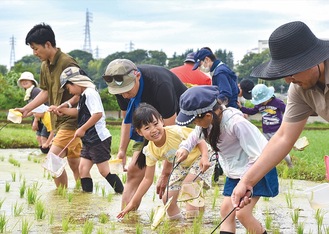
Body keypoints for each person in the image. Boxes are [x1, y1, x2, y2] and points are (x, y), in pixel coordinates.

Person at [231, 21, 329, 210]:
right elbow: (283, 137)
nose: (287, 80)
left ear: (315, 60)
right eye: (283, 73)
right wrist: (248, 180)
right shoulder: (299, 88)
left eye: (291, 71)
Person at [176, 85, 278, 234]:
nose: (195, 125)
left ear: (208, 116)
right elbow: (194, 136)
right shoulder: (207, 124)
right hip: (236, 171)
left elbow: (257, 156)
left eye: (195, 121)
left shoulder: (236, 124)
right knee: (226, 211)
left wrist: (245, 182)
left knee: (242, 213)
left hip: (257, 169)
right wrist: (185, 148)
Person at [102, 59, 187, 209]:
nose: (125, 96)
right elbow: (127, 120)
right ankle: (127, 218)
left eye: (128, 90)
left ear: (137, 76)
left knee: (183, 175)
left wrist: (166, 173)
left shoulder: (160, 85)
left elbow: (172, 131)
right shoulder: (120, 87)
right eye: (121, 93)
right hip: (146, 122)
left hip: (177, 122)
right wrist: (122, 150)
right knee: (134, 170)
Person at [117, 103, 214, 220]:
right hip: (182, 164)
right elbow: (147, 179)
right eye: (147, 128)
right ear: (139, 132)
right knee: (167, 198)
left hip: (202, 157)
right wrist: (132, 203)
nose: (154, 130)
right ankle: (179, 226)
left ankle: (192, 227)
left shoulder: (175, 131)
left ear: (162, 121)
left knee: (189, 188)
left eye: (155, 124)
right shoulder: (150, 151)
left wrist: (204, 156)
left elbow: (199, 139)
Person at [15, 23, 82, 188]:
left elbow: (81, 92)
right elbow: (45, 92)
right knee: (74, 163)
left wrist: (67, 107)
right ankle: (82, 193)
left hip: (71, 120)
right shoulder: (45, 65)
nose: (34, 53)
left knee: (53, 160)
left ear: (48, 44)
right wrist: (27, 109)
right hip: (57, 121)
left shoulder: (68, 64)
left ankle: (61, 197)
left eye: (36, 48)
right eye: (32, 49)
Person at [58, 67, 124, 193]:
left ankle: (122, 193)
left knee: (104, 171)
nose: (70, 92)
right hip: (89, 139)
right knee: (83, 169)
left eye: (69, 88)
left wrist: (82, 129)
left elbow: (97, 114)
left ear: (76, 82)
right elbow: (81, 112)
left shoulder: (90, 93)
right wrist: (62, 110)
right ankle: (86, 197)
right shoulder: (83, 95)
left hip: (98, 139)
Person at [238, 84, 293, 168]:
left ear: (268, 96)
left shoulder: (277, 102)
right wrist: (241, 108)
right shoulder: (259, 105)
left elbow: (287, 111)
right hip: (266, 131)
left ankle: (289, 163)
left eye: (263, 101)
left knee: (280, 149)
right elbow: (252, 111)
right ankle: (269, 165)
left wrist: (288, 123)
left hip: (277, 131)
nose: (261, 103)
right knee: (265, 149)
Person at [17, 71, 52, 153]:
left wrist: (35, 121)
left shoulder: (35, 91)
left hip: (47, 115)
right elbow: (33, 109)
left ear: (32, 81)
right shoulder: (28, 93)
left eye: (27, 80)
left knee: (44, 138)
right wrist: (21, 115)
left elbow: (40, 108)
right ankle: (45, 155)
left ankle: (49, 157)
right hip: (41, 117)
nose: (24, 82)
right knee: (39, 138)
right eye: (22, 80)